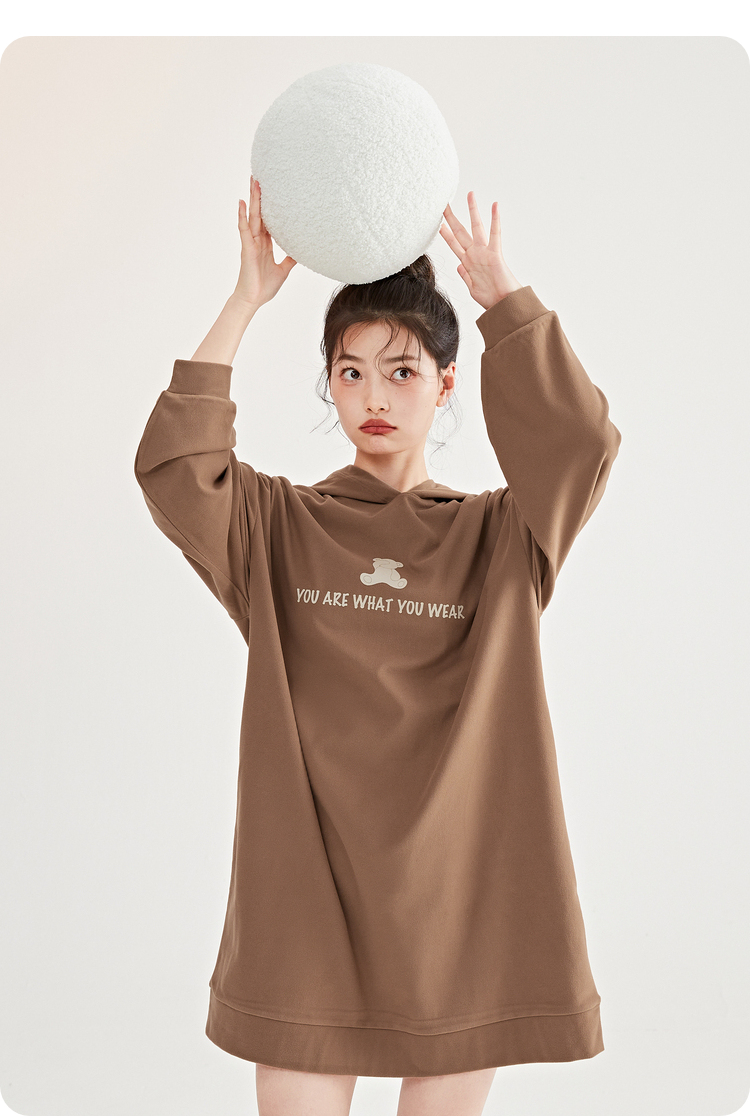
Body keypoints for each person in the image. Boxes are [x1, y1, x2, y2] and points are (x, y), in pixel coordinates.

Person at [134, 177, 621, 1116]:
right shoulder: (278, 526)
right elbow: (176, 470)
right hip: (306, 904)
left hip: (462, 905)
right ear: (330, 384)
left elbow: (581, 445)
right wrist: (244, 301)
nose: (374, 397)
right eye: (351, 372)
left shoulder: (501, 537)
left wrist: (504, 303)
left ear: (447, 384)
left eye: (402, 371)